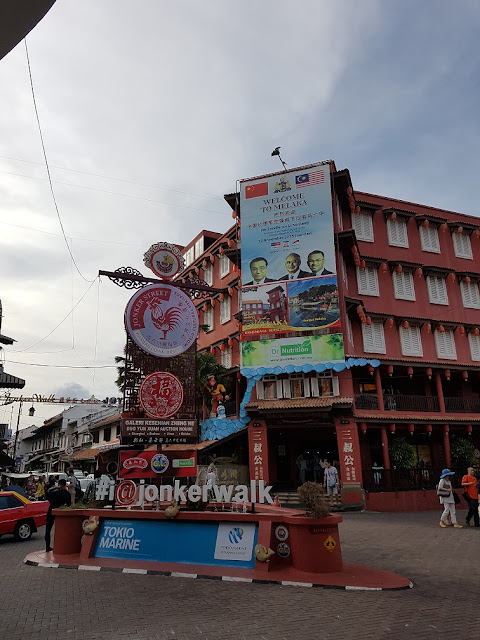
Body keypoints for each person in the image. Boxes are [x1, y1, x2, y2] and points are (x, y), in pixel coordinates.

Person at [45, 478, 71, 552]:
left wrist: (54, 488)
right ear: (65, 485)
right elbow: (69, 504)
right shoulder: (67, 494)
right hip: (61, 513)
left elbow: (47, 494)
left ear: (59, 485)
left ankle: (47, 546)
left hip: (51, 511)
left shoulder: (54, 493)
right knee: (62, 530)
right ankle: (62, 546)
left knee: (48, 529)